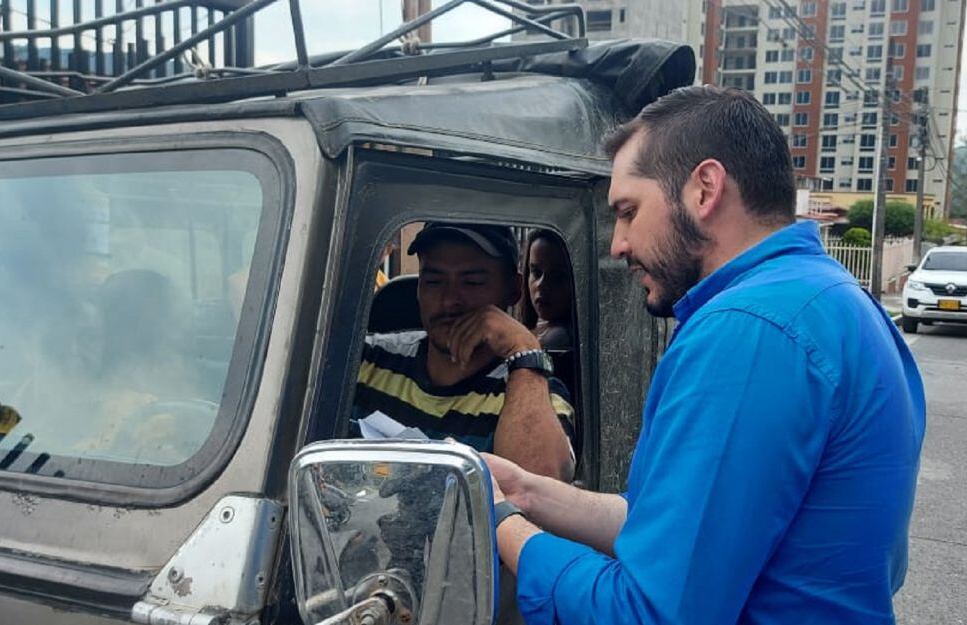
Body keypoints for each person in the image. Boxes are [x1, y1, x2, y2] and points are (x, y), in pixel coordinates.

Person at [486, 85, 925, 625]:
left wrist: (497, 517)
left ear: (705, 189)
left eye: (628, 211)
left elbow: (646, 612)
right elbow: (674, 530)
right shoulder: (831, 298)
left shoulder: (748, 329)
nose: (617, 244)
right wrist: (524, 492)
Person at [353, 222, 575, 481]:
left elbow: (542, 490)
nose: (449, 301)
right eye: (434, 281)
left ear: (513, 290)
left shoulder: (534, 392)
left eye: (472, 282)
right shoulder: (367, 361)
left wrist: (523, 349)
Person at [518, 229, 574, 350]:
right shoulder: (535, 330)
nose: (541, 285)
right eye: (536, 272)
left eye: (558, 276)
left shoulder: (558, 338)